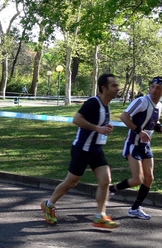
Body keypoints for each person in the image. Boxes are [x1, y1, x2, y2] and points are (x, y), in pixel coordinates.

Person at [41, 73, 120, 229]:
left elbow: (98, 124)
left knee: (105, 180)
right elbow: (76, 119)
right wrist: (98, 128)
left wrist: (106, 127)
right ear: (104, 88)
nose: (118, 88)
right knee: (71, 182)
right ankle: (48, 204)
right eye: (114, 85)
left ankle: (100, 216)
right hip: (82, 149)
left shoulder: (106, 105)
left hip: (96, 149)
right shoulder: (93, 102)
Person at [109, 76, 162, 220]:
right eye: (152, 87)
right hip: (133, 144)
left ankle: (135, 208)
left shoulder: (159, 105)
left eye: (158, 88)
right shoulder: (142, 101)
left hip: (146, 146)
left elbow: (154, 121)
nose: (154, 90)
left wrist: (159, 127)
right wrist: (139, 131)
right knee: (138, 179)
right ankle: (112, 189)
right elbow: (124, 116)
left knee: (149, 178)